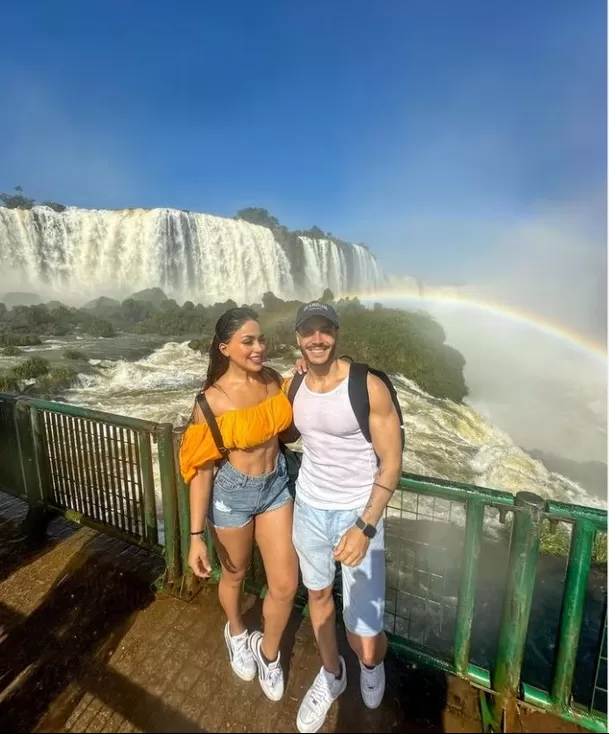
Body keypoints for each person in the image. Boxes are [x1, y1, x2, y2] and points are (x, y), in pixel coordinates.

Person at [284, 300, 403, 734]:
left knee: (365, 636)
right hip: (309, 509)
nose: (317, 338)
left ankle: (370, 667)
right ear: (298, 338)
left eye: (324, 330)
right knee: (317, 597)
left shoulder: (368, 386)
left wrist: (366, 525)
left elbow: (391, 463)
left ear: (336, 333)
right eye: (308, 331)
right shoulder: (292, 385)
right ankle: (332, 675)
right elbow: (280, 425)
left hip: (358, 515)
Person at [178, 306, 298, 702]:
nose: (258, 347)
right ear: (225, 347)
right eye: (248, 341)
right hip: (233, 494)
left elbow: (290, 431)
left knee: (284, 583)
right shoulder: (211, 402)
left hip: (277, 486)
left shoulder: (275, 380)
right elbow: (202, 470)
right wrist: (196, 536)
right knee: (235, 575)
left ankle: (269, 653)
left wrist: (303, 379)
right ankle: (236, 630)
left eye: (261, 339)